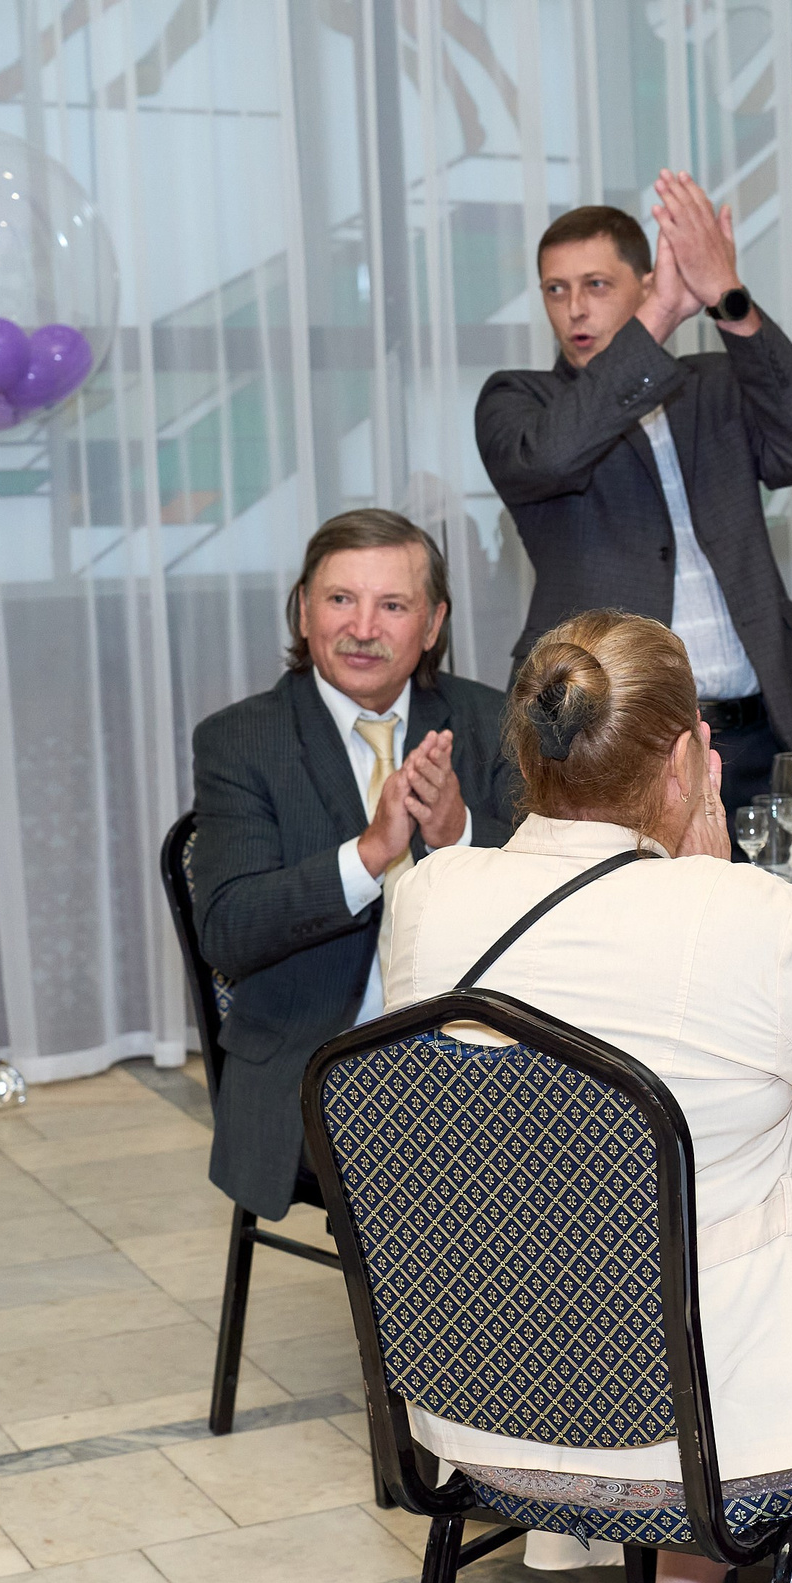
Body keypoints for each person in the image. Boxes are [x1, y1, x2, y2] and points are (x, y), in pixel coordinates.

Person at [378, 611, 792, 1583]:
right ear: (682, 759)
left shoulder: (427, 897)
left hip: (484, 1390)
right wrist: (713, 877)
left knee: (702, 1232)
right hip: (694, 1424)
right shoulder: (739, 914)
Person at [475, 174, 792, 843]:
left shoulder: (714, 384)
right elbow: (551, 458)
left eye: (596, 284)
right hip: (609, 748)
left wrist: (727, 298)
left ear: (646, 283)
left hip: (755, 735)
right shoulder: (520, 402)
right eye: (556, 289)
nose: (575, 309)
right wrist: (662, 315)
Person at [190, 508, 521, 1221]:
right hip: (315, 1065)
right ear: (303, 610)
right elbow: (229, 930)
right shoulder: (242, 741)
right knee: (456, 1168)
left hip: (486, 1050)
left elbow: (556, 888)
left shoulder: (491, 721)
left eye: (392, 605)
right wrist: (371, 854)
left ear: (433, 624)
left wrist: (458, 833)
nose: (362, 627)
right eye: (341, 599)